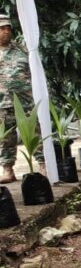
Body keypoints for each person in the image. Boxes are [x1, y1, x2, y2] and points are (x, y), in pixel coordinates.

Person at [0, 15, 42, 183]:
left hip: (26, 102)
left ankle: (43, 165)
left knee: (34, 134)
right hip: (3, 104)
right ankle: (8, 170)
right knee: (5, 139)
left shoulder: (23, 50)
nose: (6, 31)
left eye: (8, 28)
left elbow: (36, 72)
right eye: (2, 29)